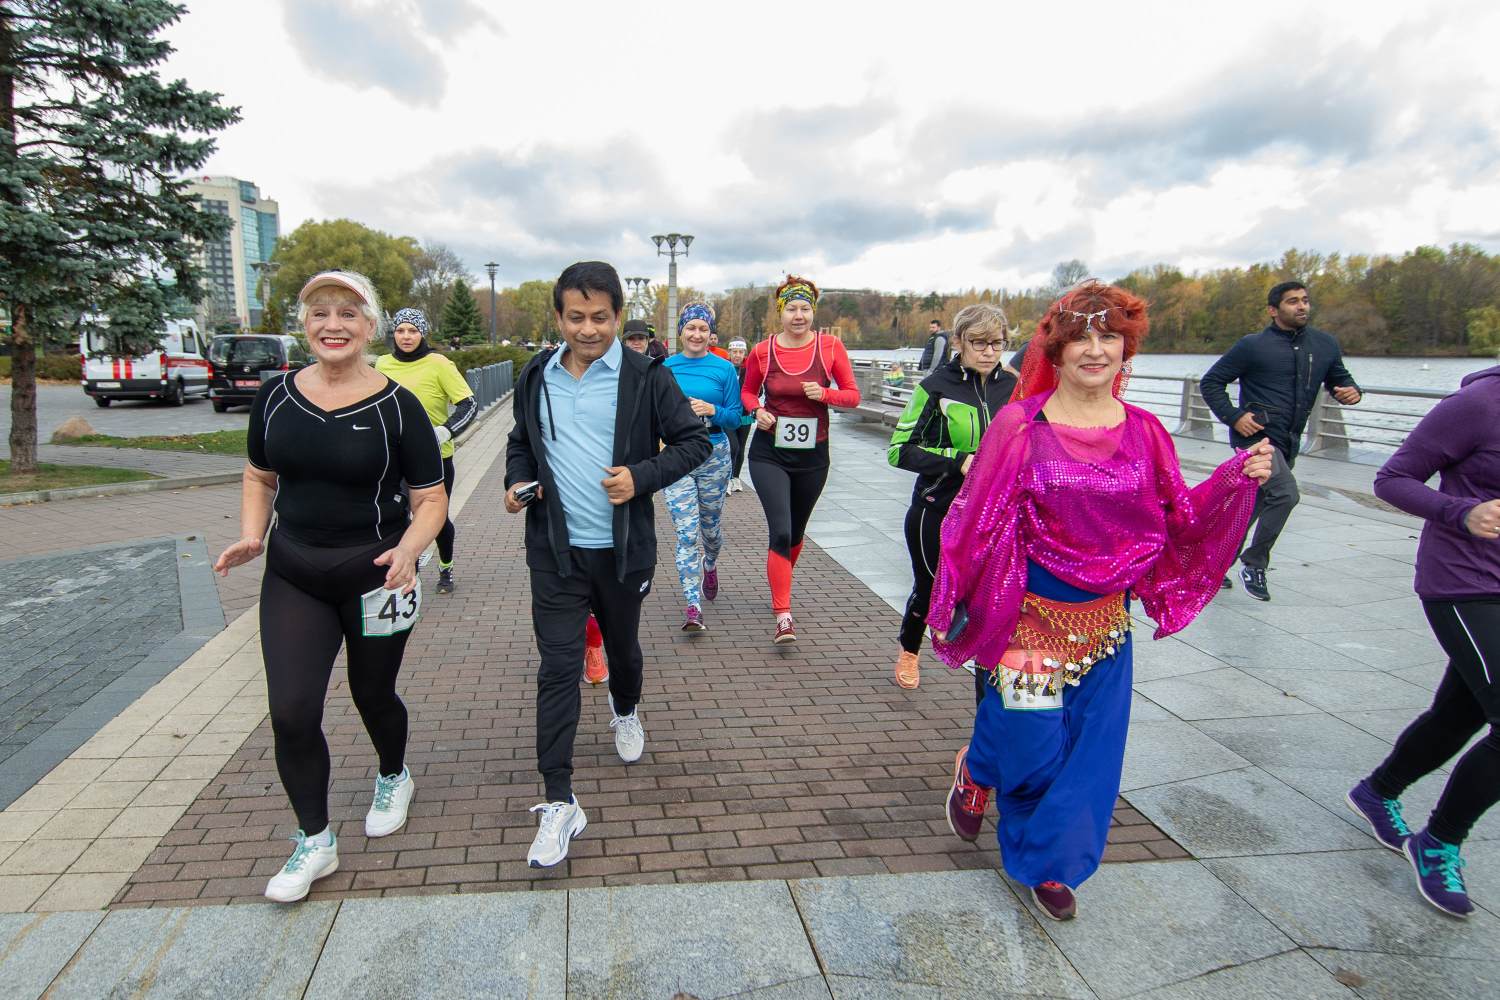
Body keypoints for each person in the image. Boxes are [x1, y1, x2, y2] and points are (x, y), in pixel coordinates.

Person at [927, 281, 1272, 921]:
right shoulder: (1019, 427)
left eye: (1108, 336)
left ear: (1125, 348)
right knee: (1032, 745)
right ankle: (979, 769)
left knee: (1090, 756)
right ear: (1055, 351)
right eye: (1081, 338)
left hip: (1107, 628)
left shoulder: (1145, 432)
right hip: (1031, 624)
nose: (1095, 350)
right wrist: (954, 599)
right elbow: (976, 521)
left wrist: (1235, 479)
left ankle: (1048, 862)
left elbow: (1178, 517)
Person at [212, 270, 448, 903]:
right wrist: (253, 534)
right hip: (295, 572)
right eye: (320, 312)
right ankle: (314, 840)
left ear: (370, 326)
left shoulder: (399, 406)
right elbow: (259, 475)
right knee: (291, 710)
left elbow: (430, 499)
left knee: (373, 694)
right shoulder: (276, 396)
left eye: (348, 313)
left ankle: (394, 775)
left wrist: (410, 549)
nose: (332, 324)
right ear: (305, 324)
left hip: (378, 575)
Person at [504, 261, 709, 868]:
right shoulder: (536, 374)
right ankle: (559, 800)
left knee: (623, 650)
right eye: (576, 317)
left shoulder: (647, 377)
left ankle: (625, 710)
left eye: (600, 317)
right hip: (555, 551)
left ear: (618, 316)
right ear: (559, 318)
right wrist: (518, 481)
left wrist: (641, 477)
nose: (588, 329)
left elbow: (695, 442)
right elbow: (521, 442)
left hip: (622, 553)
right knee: (558, 667)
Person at [1345, 364, 1500, 919]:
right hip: (1466, 582)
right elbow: (1392, 478)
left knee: (1461, 713)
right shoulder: (1480, 404)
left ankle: (1378, 790)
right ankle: (1439, 841)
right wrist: (1463, 512)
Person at [1200, 281, 1361, 600]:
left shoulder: (1325, 344)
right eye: (1292, 301)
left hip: (1288, 441)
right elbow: (1212, 382)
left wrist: (1352, 392)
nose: (1302, 306)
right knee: (1286, 494)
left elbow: (1341, 380)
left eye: (1305, 300)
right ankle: (1254, 564)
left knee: (1251, 506)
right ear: (1273, 310)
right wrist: (1234, 416)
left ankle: (1213, 568)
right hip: (1256, 440)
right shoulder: (1252, 345)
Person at [887, 304, 1016, 690]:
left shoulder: (1014, 388)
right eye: (979, 343)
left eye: (997, 343)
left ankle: (990, 666)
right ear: (959, 342)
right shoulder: (935, 386)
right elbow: (899, 450)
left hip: (993, 511)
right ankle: (910, 649)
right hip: (937, 506)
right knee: (929, 587)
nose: (989, 352)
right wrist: (958, 460)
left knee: (992, 592)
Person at [739, 275, 862, 643]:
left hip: (813, 456)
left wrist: (824, 394)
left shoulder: (830, 347)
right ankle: (783, 614)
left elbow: (853, 396)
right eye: (791, 308)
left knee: (795, 533)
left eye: (805, 308)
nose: (798, 315)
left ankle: (781, 581)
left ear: (813, 312)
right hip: (769, 453)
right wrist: (756, 411)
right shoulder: (763, 351)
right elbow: (748, 391)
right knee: (780, 529)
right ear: (780, 313)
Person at [375, 308, 476, 595]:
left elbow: (469, 404)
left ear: (422, 334)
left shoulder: (439, 364)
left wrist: (445, 431)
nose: (406, 336)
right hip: (394, 457)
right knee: (397, 515)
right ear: (394, 334)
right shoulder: (382, 364)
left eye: (413, 331)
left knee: (435, 518)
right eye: (400, 330)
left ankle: (446, 565)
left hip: (435, 457)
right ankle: (406, 572)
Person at [663, 303, 742, 630]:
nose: (696, 334)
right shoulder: (665, 368)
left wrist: (712, 409)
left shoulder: (724, 369)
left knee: (710, 528)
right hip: (678, 454)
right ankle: (693, 604)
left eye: (703, 329)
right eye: (691, 328)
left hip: (714, 453)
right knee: (685, 532)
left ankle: (710, 563)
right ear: (681, 331)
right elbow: (654, 413)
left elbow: (736, 417)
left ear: (711, 334)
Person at [726, 339, 752, 494]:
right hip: (729, 414)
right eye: (734, 352)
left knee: (741, 447)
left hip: (746, 415)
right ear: (729, 353)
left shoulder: (749, 370)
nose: (737, 355)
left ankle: (736, 477)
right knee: (733, 446)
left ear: (744, 354)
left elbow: (758, 391)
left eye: (740, 352)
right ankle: (728, 479)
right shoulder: (725, 368)